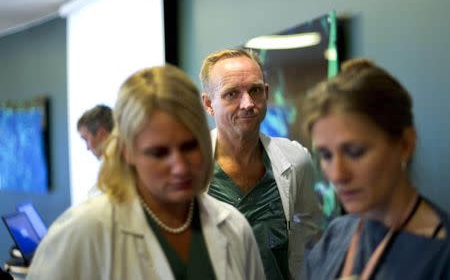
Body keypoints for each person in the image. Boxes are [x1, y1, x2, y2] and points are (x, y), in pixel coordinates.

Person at [27, 65, 265, 280]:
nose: (180, 167)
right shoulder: (83, 232)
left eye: (189, 146)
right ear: (126, 151)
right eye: (159, 153)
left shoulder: (233, 227)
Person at [302, 58, 450, 279]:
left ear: (405, 144)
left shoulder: (441, 256)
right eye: (326, 155)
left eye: (355, 152)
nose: (337, 175)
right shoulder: (336, 235)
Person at [199, 48, 323, 280]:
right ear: (208, 103)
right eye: (232, 94)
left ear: (266, 93)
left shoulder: (295, 160)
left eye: (255, 90)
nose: (247, 103)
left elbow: (310, 225)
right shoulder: (188, 165)